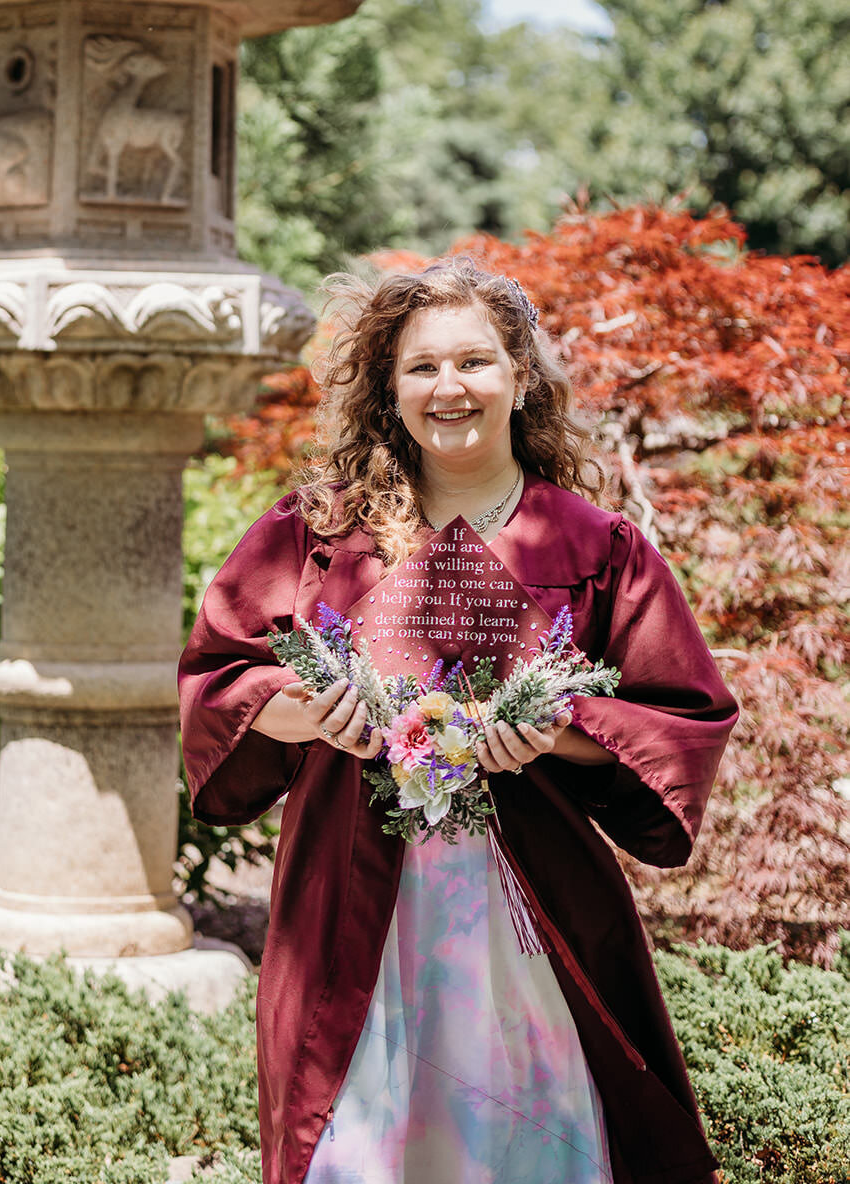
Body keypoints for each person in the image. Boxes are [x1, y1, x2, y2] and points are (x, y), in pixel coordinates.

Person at [178, 258, 738, 1184]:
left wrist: (553, 732)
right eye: (421, 367)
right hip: (351, 896)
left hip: (528, 909)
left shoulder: (595, 548)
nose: (449, 388)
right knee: (360, 1141)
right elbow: (213, 678)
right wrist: (300, 712)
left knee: (530, 1136)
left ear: (520, 378)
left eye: (474, 362)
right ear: (387, 390)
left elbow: (683, 712)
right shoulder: (316, 534)